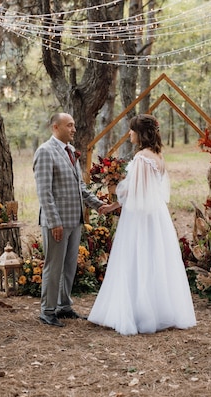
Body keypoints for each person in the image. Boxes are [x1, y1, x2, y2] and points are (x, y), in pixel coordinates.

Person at [88, 114, 196, 335]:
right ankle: (159, 310)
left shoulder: (141, 158)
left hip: (138, 216)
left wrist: (113, 194)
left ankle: (137, 314)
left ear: (140, 133)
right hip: (157, 215)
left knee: (135, 257)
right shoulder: (158, 156)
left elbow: (134, 191)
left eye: (131, 130)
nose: (129, 134)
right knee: (155, 258)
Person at [33, 113, 109, 327]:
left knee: (69, 266)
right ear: (55, 127)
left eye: (74, 125)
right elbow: (44, 192)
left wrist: (98, 205)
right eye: (70, 125)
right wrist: (54, 221)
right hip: (56, 222)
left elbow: (80, 188)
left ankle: (63, 305)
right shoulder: (46, 152)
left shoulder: (70, 152)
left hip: (74, 220)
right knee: (53, 266)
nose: (74, 129)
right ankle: (47, 311)